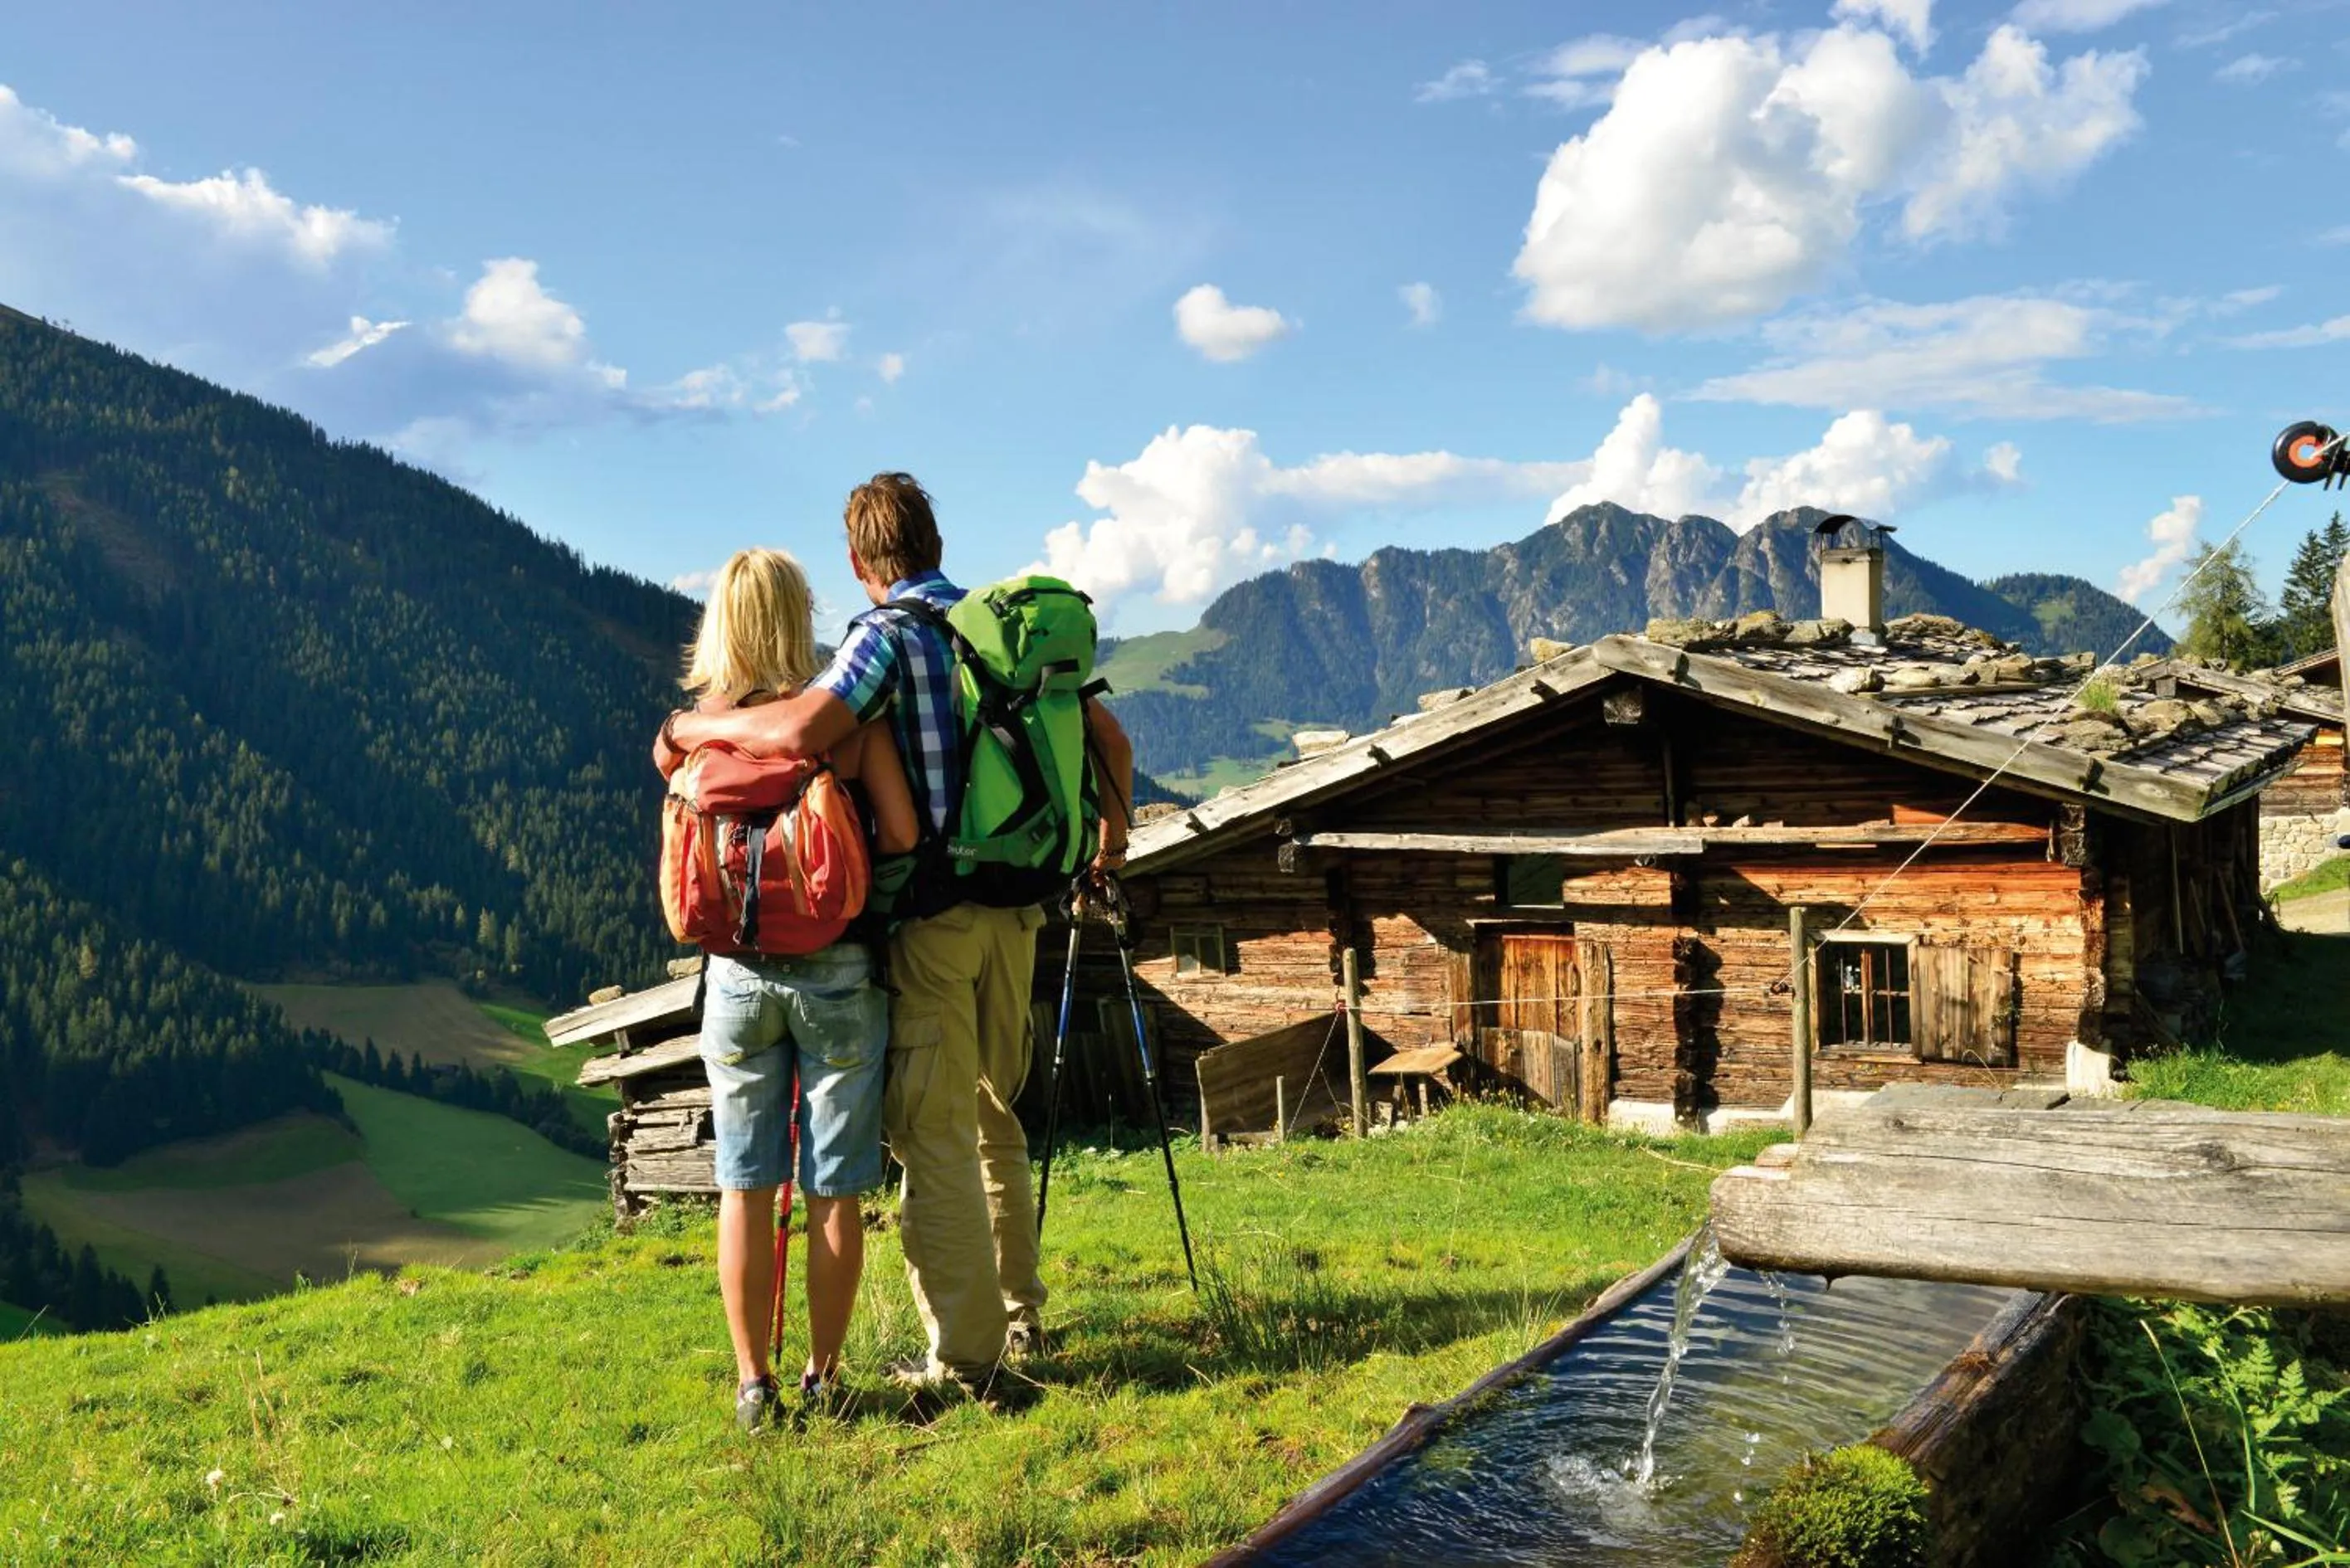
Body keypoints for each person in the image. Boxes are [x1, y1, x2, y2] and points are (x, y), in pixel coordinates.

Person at [663, 473, 1134, 1401]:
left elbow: (805, 725)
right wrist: (1106, 854)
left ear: (857, 561)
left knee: (934, 1134)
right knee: (995, 1110)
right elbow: (1110, 744)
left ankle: (967, 1359)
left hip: (936, 920)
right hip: (1021, 910)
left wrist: (690, 725)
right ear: (935, 541)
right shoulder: (998, 632)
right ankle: (1019, 1309)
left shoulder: (884, 638)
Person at [661, 547, 920, 1431]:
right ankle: (824, 1375)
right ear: (798, 617)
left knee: (744, 1182)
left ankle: (752, 1384)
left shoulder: (696, 730)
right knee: (832, 1188)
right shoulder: (839, 723)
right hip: (839, 972)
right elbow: (902, 830)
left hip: (733, 975)